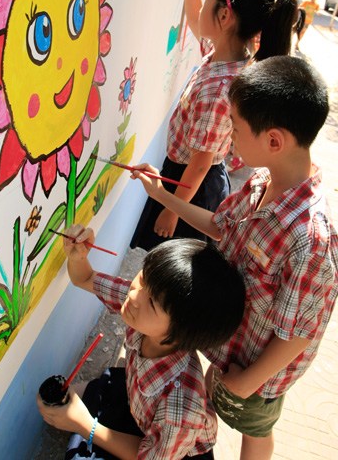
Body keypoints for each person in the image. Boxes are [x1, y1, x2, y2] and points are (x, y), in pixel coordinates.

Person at [132, 55, 338, 460]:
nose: (229, 137)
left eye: (236, 128)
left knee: (254, 431)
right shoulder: (262, 182)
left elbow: (299, 333)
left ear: (274, 140)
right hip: (233, 353)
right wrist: (161, 195)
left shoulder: (311, 238)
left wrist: (246, 383)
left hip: (258, 379)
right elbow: (221, 226)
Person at [130, 0, 297, 252]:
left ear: (224, 17)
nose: (201, 8)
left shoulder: (220, 89)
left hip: (190, 185)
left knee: (172, 264)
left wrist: (170, 208)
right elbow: (196, 19)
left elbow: (201, 161)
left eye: (209, 0)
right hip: (191, 180)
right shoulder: (227, 56)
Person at [37, 227, 246, 460]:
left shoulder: (180, 410)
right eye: (143, 277)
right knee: (66, 404)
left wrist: (85, 425)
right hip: (139, 402)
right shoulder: (143, 305)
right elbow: (85, 278)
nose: (134, 296)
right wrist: (78, 257)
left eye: (153, 303)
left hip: (169, 451)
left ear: (180, 333)